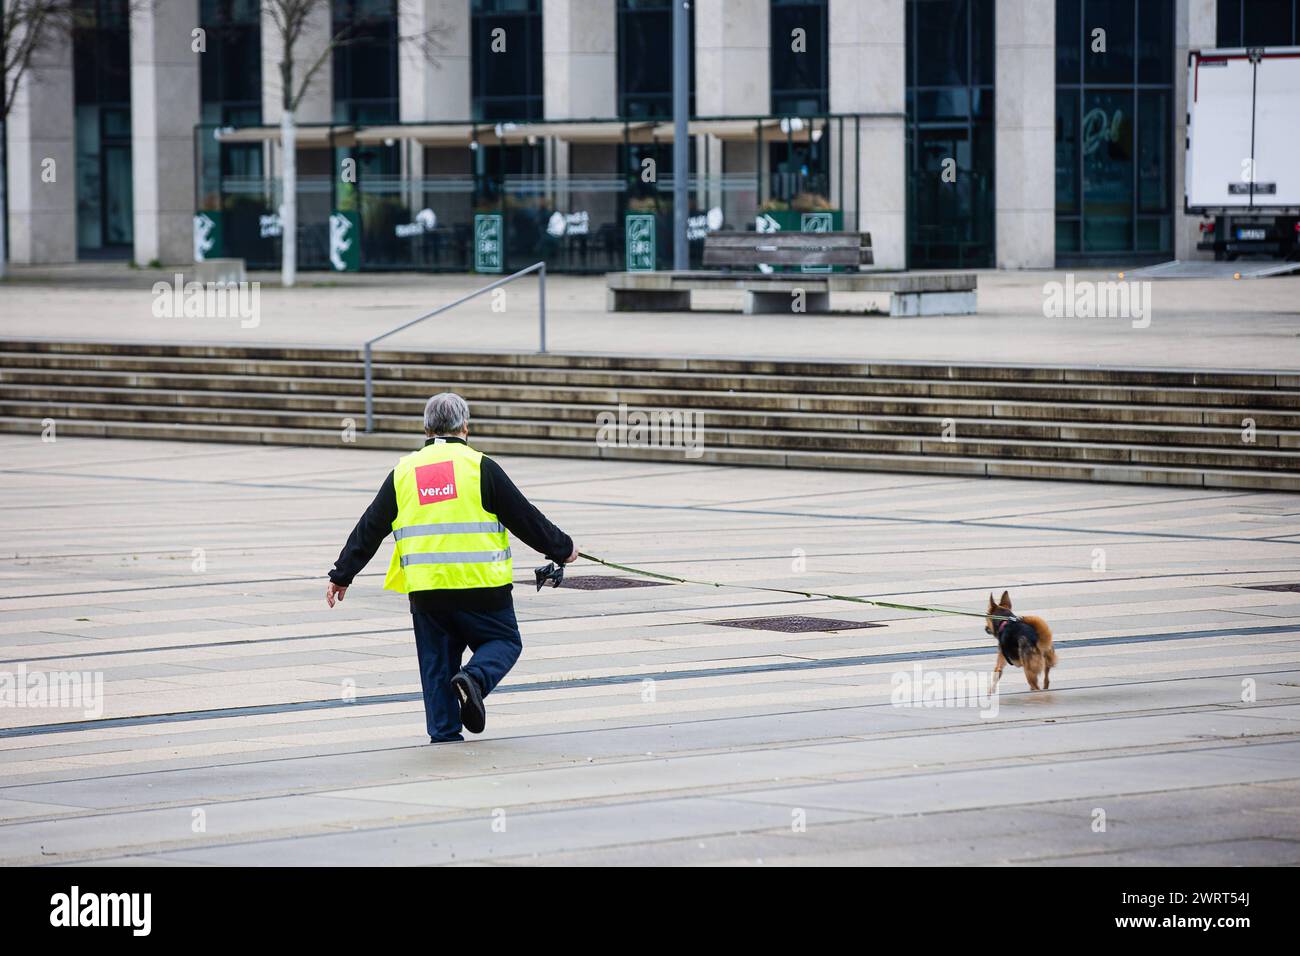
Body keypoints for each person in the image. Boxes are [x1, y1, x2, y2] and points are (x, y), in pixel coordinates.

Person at [326, 392, 577, 742]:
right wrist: (563, 549)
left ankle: (444, 735)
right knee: (504, 641)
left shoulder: (403, 471)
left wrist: (343, 574)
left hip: (428, 590)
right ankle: (474, 679)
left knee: (436, 664)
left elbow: (370, 526)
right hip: (482, 586)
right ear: (465, 427)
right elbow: (524, 517)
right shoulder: (479, 466)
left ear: (426, 428)